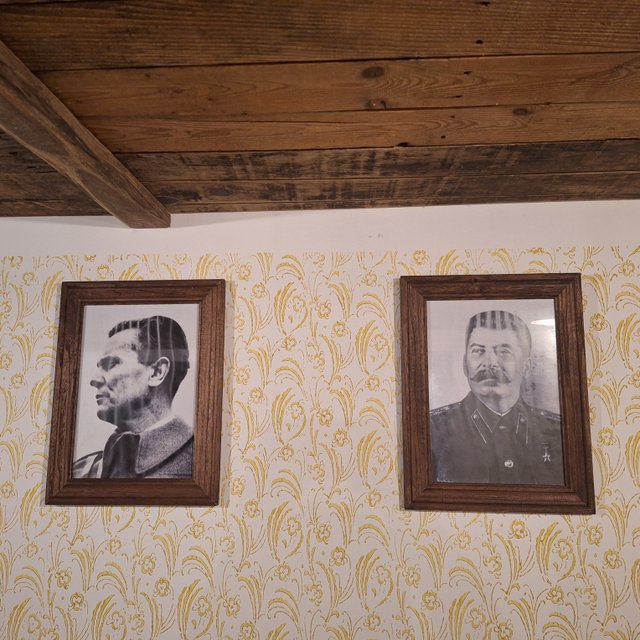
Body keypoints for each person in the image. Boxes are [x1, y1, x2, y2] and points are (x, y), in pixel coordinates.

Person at [429, 309, 564, 485]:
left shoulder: (558, 431)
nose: (490, 363)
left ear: (527, 367)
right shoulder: (432, 430)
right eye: (478, 351)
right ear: (465, 365)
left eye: (504, 352)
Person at [73, 315, 193, 479]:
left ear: (157, 372)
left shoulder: (198, 464)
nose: (94, 380)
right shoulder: (81, 471)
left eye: (111, 364)